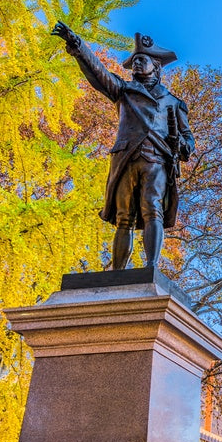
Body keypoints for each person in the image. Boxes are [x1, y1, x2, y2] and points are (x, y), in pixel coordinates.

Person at [51, 23, 194, 269]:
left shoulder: (173, 102)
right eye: (134, 60)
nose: (136, 63)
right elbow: (99, 74)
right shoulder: (123, 90)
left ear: (156, 66)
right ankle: (117, 272)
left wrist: (179, 143)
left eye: (142, 59)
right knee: (124, 217)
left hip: (157, 161)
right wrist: (77, 46)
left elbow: (188, 141)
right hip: (126, 158)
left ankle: (151, 266)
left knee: (153, 209)